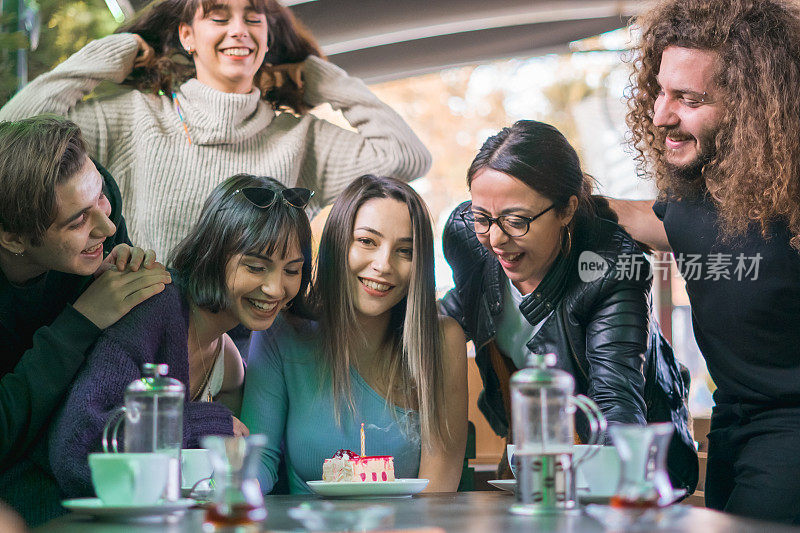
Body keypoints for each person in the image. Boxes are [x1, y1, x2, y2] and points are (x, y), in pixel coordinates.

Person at [0, 0, 432, 259]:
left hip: (252, 356)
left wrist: (321, 77)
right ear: (187, 35)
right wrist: (116, 51)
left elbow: (407, 156)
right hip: (139, 343)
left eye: (254, 18)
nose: (240, 30)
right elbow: (13, 128)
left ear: (267, 38)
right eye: (219, 18)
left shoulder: (302, 138)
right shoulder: (133, 117)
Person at [612, 0, 800, 523]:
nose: (661, 115)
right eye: (660, 91)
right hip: (731, 425)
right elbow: (646, 219)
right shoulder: (695, 195)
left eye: (689, 99)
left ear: (753, 105)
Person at [440, 120, 697, 492]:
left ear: (566, 210)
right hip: (533, 454)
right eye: (483, 217)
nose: (496, 238)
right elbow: (464, 304)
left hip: (618, 462)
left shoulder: (608, 265)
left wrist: (619, 492)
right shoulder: (467, 237)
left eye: (516, 220)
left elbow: (616, 400)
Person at [49, 173, 314, 501]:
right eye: (256, 267)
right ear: (215, 255)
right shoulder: (155, 306)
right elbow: (77, 448)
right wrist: (205, 421)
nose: (276, 288)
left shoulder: (227, 358)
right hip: (51, 512)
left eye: (291, 270)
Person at [240, 175, 467, 494]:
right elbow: (258, 458)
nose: (384, 264)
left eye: (405, 251)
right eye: (367, 241)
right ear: (336, 243)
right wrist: (230, 493)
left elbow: (437, 491)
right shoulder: (282, 332)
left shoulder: (443, 340)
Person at [0, 116, 171, 524]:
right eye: (78, 221)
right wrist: (82, 320)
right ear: (12, 238)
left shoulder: (95, 198)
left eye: (100, 197)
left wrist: (122, 273)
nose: (108, 226)